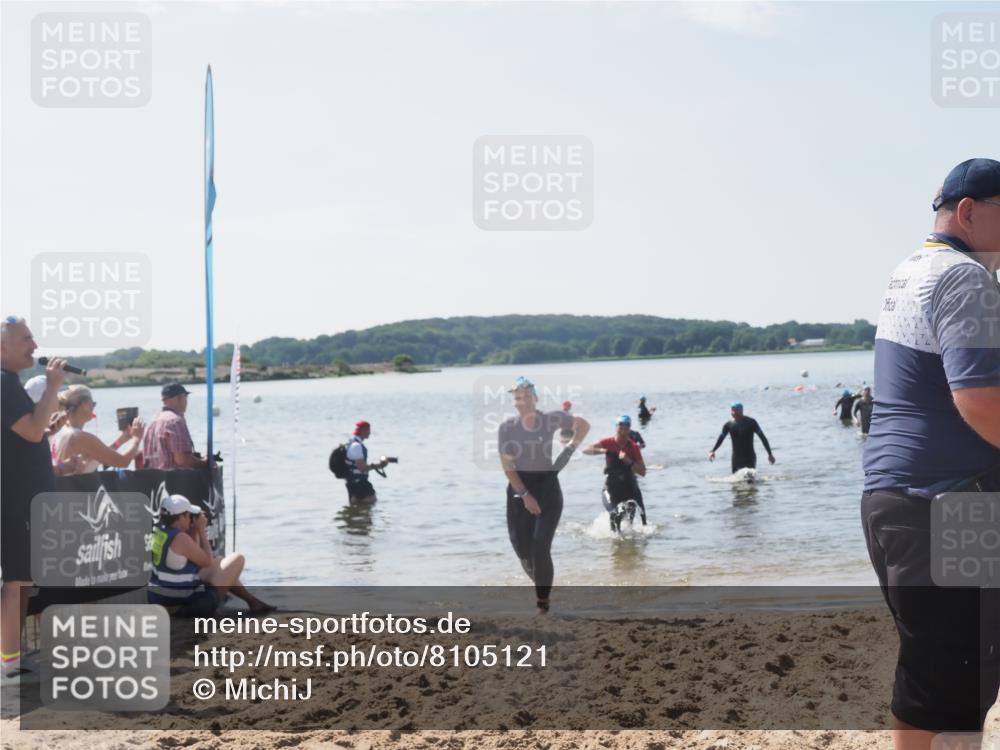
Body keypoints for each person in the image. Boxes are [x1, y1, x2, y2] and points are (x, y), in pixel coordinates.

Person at [862, 158, 1000, 746]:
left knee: (941, 678)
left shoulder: (914, 269)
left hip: (898, 499)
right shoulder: (965, 278)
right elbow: (980, 400)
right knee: (952, 681)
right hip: (947, 502)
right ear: (968, 212)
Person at [0, 316, 66, 683]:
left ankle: (13, 657)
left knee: (22, 579)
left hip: (20, 498)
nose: (35, 346)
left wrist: (45, 429)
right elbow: (29, 431)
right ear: (2, 347)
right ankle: (10, 663)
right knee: (15, 582)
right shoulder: (3, 382)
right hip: (15, 500)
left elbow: (28, 432)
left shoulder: (9, 383)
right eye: (26, 339)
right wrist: (53, 386)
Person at [499, 377, 589, 614]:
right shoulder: (507, 428)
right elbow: (508, 467)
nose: (522, 401)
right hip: (519, 490)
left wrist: (568, 452)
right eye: (518, 398)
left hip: (548, 488)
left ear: (536, 398)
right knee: (523, 550)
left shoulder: (551, 419)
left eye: (527, 396)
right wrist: (525, 495)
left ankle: (542, 604)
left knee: (540, 545)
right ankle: (543, 582)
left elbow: (583, 425)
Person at [148, 494, 273, 615]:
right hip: (185, 605)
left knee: (220, 562)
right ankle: (247, 603)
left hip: (161, 598)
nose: (191, 518)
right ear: (181, 516)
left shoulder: (159, 532)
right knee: (238, 559)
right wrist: (201, 530)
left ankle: (253, 602)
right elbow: (207, 561)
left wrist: (195, 531)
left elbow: (197, 562)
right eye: (189, 515)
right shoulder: (180, 538)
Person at [52, 385, 144, 474]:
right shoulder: (80, 437)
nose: (93, 408)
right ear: (85, 406)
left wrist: (122, 439)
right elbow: (123, 461)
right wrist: (136, 438)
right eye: (93, 404)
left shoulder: (60, 430)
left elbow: (102, 455)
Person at [583, 415, 647, 525]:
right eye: (621, 426)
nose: (623, 430)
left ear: (629, 428)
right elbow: (585, 450)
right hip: (611, 486)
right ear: (616, 427)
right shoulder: (608, 442)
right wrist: (604, 451)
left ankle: (630, 535)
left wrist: (629, 461)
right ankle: (613, 533)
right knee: (614, 514)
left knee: (641, 516)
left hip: (629, 486)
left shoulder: (633, 447)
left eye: (626, 427)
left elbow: (643, 472)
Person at [141, 384, 208, 470]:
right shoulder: (175, 421)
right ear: (180, 398)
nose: (186, 401)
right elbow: (182, 460)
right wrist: (205, 462)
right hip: (174, 477)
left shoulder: (153, 422)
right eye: (186, 397)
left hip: (152, 477)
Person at [708, 401, 776, 473]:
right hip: (736, 459)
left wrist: (770, 454)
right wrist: (713, 450)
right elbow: (721, 438)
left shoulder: (751, 422)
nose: (733, 412)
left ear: (741, 410)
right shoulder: (728, 425)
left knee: (750, 479)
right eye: (732, 410)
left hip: (750, 458)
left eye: (735, 410)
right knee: (735, 479)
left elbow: (762, 438)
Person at [344, 420, 389, 505]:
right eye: (368, 430)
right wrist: (379, 465)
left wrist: (378, 466)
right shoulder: (357, 446)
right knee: (372, 502)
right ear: (363, 430)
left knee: (356, 507)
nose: (370, 433)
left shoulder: (350, 443)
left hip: (351, 483)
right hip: (360, 483)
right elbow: (362, 468)